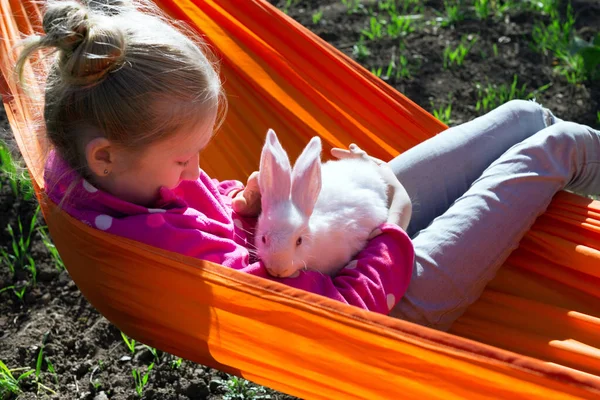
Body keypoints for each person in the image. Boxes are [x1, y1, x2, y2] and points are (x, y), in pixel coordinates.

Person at [16, 0, 600, 332]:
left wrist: (240, 199)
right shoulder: (166, 250)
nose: (195, 172)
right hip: (398, 302)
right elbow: (335, 316)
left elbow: (193, 203)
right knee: (561, 144)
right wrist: (391, 216)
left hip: (337, 233)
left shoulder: (93, 167)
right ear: (106, 154)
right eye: (183, 156)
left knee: (527, 116)